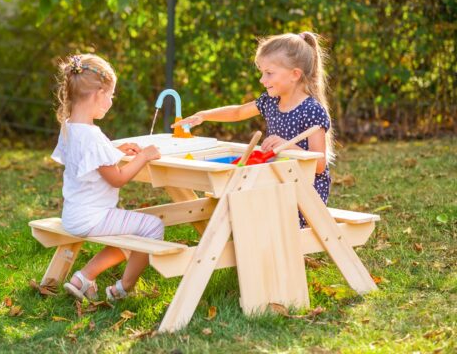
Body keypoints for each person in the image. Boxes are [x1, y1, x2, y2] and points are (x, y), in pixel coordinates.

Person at [172, 32, 334, 227]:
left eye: (269, 73)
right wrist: (204, 115)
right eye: (262, 72)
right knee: (233, 197)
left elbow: (319, 165)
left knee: (239, 200)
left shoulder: (311, 110)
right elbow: (237, 113)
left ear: (295, 74)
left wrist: (287, 147)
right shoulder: (270, 101)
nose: (262, 79)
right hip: (276, 182)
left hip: (304, 194)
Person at [52, 54, 163, 301]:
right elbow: (118, 178)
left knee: (132, 229)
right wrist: (143, 156)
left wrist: (116, 151)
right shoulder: (92, 136)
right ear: (99, 93)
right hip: (92, 217)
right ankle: (122, 289)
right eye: (111, 95)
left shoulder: (70, 127)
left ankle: (84, 277)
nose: (111, 101)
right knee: (152, 227)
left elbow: (90, 161)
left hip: (73, 214)